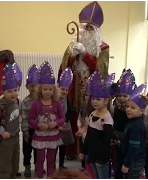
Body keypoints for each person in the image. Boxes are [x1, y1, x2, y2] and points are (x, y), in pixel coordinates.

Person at [59, 1, 109, 160]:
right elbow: (63, 69)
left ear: (96, 30)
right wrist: (72, 56)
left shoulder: (103, 48)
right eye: (85, 26)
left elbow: (101, 70)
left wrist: (85, 55)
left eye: (91, 28)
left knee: (89, 117)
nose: (87, 30)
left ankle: (87, 151)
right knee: (72, 117)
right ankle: (72, 150)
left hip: (92, 90)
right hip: (74, 88)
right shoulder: (72, 44)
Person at [29, 61, 65, 179]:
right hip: (40, 135)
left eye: (50, 89)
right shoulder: (36, 104)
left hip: (53, 135)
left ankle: (51, 176)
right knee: (39, 159)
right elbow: (31, 119)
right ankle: (39, 176)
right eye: (45, 89)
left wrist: (56, 123)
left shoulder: (57, 103)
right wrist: (38, 124)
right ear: (40, 90)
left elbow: (62, 118)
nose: (47, 92)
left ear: (54, 90)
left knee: (51, 158)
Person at [0, 63, 22, 179]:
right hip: (5, 141)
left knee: (15, 165)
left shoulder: (16, 102)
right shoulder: (1, 105)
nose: (14, 94)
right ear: (3, 93)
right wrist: (2, 131)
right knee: (4, 167)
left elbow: (15, 115)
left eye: (15, 90)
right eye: (10, 91)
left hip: (15, 138)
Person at [79, 71, 115, 179]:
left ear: (106, 100)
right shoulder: (92, 114)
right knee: (95, 176)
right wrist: (83, 151)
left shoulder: (106, 119)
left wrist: (102, 159)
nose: (94, 101)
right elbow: (88, 135)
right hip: (92, 154)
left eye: (98, 99)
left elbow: (106, 142)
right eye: (93, 98)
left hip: (101, 158)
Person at [112, 69, 136, 179]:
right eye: (120, 95)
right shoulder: (116, 108)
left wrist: (122, 140)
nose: (121, 98)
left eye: (125, 96)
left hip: (126, 142)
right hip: (117, 141)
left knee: (126, 167)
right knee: (118, 163)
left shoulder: (131, 113)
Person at [120, 84, 147, 179]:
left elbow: (133, 148)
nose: (128, 109)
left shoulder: (136, 126)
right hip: (132, 160)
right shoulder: (132, 122)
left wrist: (127, 164)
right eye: (127, 106)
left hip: (134, 162)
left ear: (142, 111)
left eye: (132, 107)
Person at [20, 64, 39, 177]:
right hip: (29, 130)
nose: (34, 88)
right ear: (27, 87)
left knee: (38, 149)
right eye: (31, 86)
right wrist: (25, 132)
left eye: (36, 85)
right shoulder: (26, 102)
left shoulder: (43, 101)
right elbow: (25, 119)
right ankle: (27, 166)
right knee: (27, 151)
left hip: (39, 130)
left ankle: (38, 165)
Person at [55, 67, 74, 170]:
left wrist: (64, 120)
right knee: (54, 146)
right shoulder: (55, 99)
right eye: (62, 89)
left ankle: (61, 164)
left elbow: (70, 111)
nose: (64, 92)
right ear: (58, 88)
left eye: (66, 90)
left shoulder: (67, 99)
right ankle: (52, 164)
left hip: (64, 125)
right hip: (56, 126)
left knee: (62, 146)